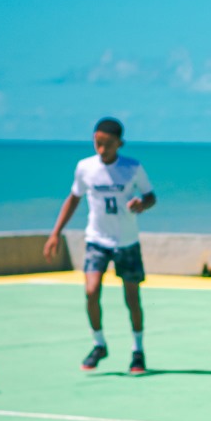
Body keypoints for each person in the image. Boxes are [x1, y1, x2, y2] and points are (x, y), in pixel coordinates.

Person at [44, 117, 156, 374]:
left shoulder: (132, 168)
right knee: (91, 291)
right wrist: (55, 233)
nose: (102, 149)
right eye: (97, 143)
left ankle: (137, 350)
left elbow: (151, 196)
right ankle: (99, 344)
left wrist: (142, 204)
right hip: (96, 240)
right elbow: (73, 199)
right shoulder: (85, 167)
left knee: (132, 297)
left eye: (108, 144)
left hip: (126, 241)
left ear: (119, 144)